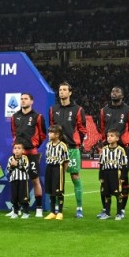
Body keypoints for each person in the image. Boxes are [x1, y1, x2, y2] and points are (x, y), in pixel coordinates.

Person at [48, 82, 88, 218]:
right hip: (57, 150)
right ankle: (58, 208)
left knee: (75, 177)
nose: (62, 92)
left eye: (64, 90)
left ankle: (79, 208)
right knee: (58, 178)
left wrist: (77, 142)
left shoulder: (78, 109)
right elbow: (52, 127)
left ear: (70, 92)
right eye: (60, 90)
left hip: (71, 148)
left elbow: (82, 129)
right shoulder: (53, 109)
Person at [99, 86, 129, 217]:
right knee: (105, 178)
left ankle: (122, 209)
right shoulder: (104, 110)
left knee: (124, 179)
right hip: (108, 148)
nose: (114, 94)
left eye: (117, 92)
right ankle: (106, 209)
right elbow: (102, 127)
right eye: (112, 91)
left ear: (122, 95)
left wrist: (125, 141)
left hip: (123, 149)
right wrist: (106, 140)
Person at [11, 92, 47, 217]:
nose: (23, 101)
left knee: (35, 180)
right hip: (18, 154)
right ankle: (17, 209)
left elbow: (43, 135)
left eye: (26, 99)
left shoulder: (38, 117)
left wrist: (34, 144)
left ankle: (39, 208)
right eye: (21, 99)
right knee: (18, 181)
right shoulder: (15, 116)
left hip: (31, 153)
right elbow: (14, 133)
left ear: (32, 101)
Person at [97, 129, 128, 220]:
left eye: (111, 136)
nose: (109, 138)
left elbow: (124, 165)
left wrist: (122, 177)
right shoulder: (104, 149)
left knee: (118, 194)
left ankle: (119, 213)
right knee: (106, 194)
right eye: (108, 136)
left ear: (117, 138)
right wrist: (101, 176)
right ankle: (107, 213)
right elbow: (101, 164)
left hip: (116, 173)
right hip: (106, 173)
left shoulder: (121, 150)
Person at [43, 125, 70, 220]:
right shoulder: (48, 144)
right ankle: (52, 212)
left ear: (57, 134)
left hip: (58, 169)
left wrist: (63, 171)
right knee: (51, 191)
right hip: (49, 168)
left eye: (51, 132)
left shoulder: (63, 146)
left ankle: (60, 212)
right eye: (49, 132)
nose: (49, 134)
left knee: (59, 191)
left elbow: (66, 160)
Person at [7, 141, 34, 219]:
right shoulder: (11, 159)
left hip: (23, 180)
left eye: (19, 148)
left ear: (23, 150)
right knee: (14, 197)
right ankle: (15, 212)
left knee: (23, 197)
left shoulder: (25, 158)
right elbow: (9, 170)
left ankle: (26, 212)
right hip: (14, 180)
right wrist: (12, 166)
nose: (17, 150)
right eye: (15, 148)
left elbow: (26, 168)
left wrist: (17, 165)